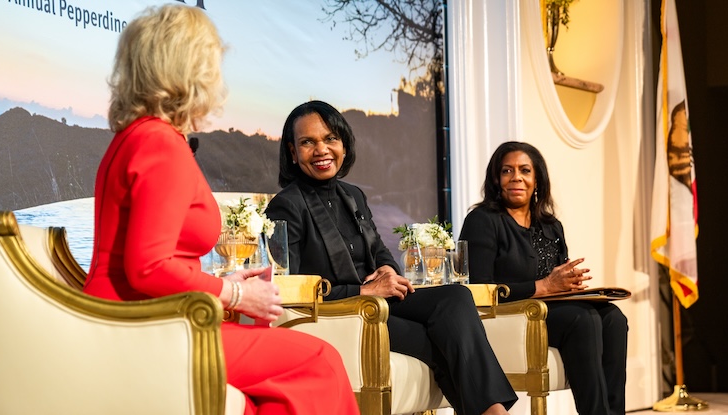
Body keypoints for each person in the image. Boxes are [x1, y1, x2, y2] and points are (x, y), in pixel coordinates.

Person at [82, 6, 359, 415]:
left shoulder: (137, 136)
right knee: (321, 361)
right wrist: (237, 293)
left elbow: (149, 258)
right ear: (191, 68)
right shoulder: (159, 142)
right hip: (146, 326)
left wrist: (222, 283)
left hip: (144, 317)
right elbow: (147, 267)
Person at [265, 100, 517, 415]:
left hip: (378, 299)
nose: (321, 149)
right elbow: (290, 286)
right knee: (440, 338)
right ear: (292, 152)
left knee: (455, 296)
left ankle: (493, 412)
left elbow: (378, 250)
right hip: (341, 309)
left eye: (330, 138)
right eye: (307, 142)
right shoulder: (286, 205)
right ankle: (495, 413)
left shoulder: (352, 195)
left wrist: (387, 268)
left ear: (343, 144)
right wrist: (362, 291)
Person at [458, 141, 628, 415]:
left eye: (525, 170)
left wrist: (572, 287)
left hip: (551, 311)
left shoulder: (550, 226)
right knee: (583, 319)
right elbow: (478, 289)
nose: (516, 177)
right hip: (507, 316)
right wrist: (544, 286)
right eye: (507, 171)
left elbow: (558, 282)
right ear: (496, 179)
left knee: (613, 318)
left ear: (537, 180)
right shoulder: (482, 220)